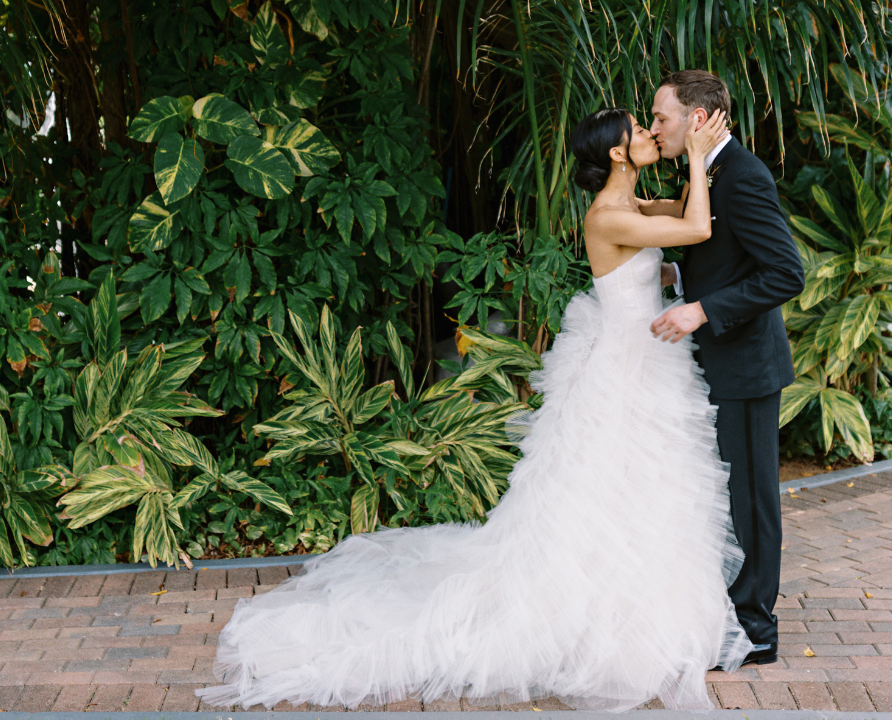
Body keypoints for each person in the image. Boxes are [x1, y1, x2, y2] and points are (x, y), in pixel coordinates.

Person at [196, 107, 749, 713]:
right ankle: (588, 616)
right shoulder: (609, 216)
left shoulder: (636, 208)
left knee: (639, 490)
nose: (649, 135)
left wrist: (713, 162)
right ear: (618, 154)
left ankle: (634, 606)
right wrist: (696, 152)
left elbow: (702, 213)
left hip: (641, 362)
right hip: (624, 370)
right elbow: (697, 225)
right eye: (639, 132)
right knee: (600, 491)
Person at [647, 70, 806, 667]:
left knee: (750, 499)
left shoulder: (741, 176)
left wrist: (702, 310)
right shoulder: (708, 171)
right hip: (719, 362)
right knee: (726, 495)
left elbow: (785, 273)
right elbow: (725, 254)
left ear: (697, 117)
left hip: (745, 366)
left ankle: (756, 629)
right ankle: (732, 611)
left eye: (662, 116)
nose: (655, 126)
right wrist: (678, 278)